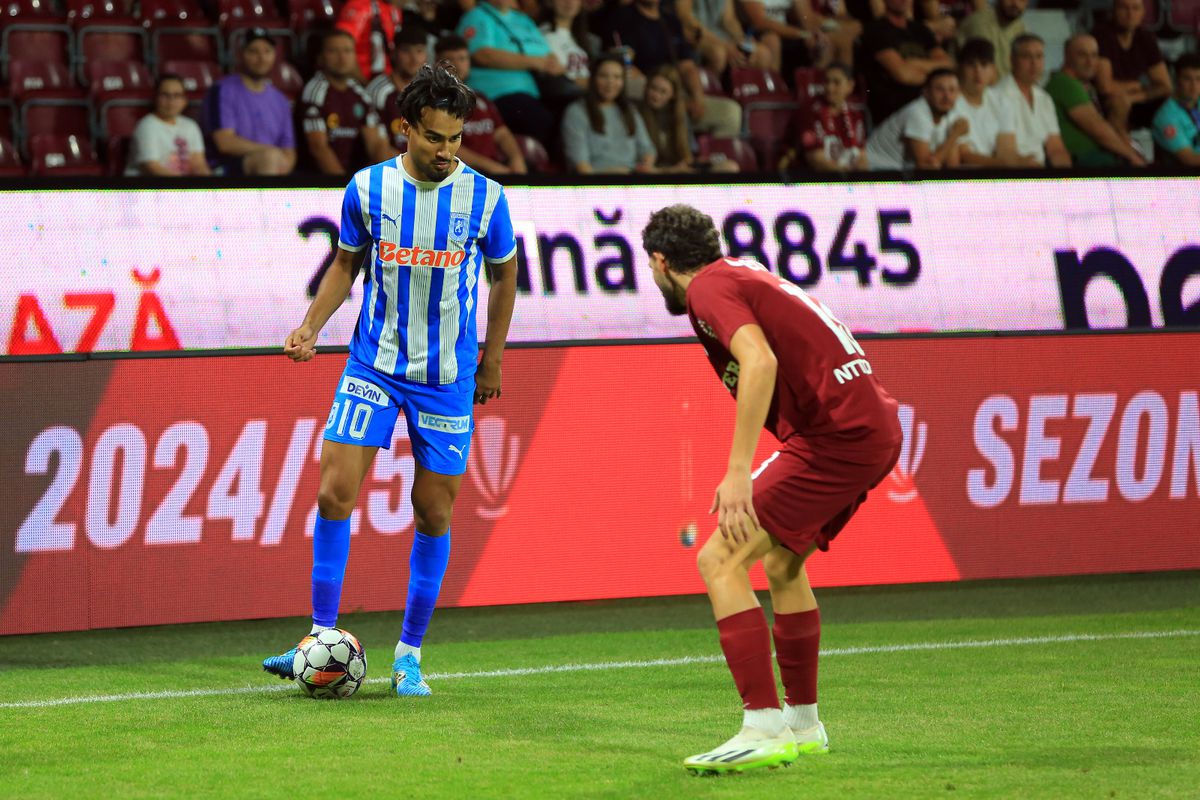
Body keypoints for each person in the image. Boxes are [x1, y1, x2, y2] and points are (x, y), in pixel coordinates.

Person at [262, 62, 519, 698]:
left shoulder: (485, 196)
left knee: (433, 511)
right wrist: (311, 326)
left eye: (456, 138)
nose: (447, 151)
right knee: (332, 495)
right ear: (405, 128)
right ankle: (320, 640)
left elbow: (505, 274)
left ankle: (409, 655)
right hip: (373, 363)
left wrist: (493, 359)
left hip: (448, 377)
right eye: (435, 137)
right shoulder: (366, 189)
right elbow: (345, 264)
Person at [640, 204, 901, 775]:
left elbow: (758, 361)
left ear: (661, 262)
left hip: (835, 435)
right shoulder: (742, 271)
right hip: (869, 427)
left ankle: (762, 726)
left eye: (652, 268)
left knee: (719, 559)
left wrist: (738, 470)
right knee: (782, 564)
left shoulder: (708, 289)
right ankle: (804, 725)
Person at [602, 0, 742, 137]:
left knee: (730, 113)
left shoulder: (671, 21)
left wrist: (697, 98)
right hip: (644, 93)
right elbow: (623, 65)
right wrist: (658, 90)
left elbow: (687, 66)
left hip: (675, 94)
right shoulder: (622, 18)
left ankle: (708, 156)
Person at [455, 0, 562, 142]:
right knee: (539, 120)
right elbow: (483, 54)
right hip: (495, 93)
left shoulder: (523, 19)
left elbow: (548, 53)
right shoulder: (476, 16)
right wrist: (535, 62)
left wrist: (552, 64)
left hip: (532, 92)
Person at [201, 28, 296, 176]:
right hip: (226, 170)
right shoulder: (222, 90)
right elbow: (224, 143)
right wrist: (269, 152)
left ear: (274, 55)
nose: (261, 58)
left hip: (273, 168)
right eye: (253, 51)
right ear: (240, 54)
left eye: (267, 51)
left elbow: (289, 151)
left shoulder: (280, 99)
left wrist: (282, 164)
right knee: (269, 158)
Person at [299, 30, 394, 175]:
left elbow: (376, 144)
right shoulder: (315, 92)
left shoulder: (360, 94)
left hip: (353, 179)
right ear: (320, 58)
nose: (342, 58)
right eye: (333, 51)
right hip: (318, 183)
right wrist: (342, 186)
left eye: (347, 51)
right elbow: (318, 148)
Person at [1045, 33, 1147, 167]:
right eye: (1082, 55)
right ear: (1067, 56)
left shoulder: (1083, 85)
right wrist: (1132, 157)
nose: (1090, 62)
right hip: (1084, 163)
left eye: (1094, 55)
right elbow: (1098, 130)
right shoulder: (1065, 83)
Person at [437, 34, 530, 173]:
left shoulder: (480, 98)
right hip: (458, 178)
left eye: (462, 58)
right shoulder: (433, 102)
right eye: (450, 60)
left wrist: (516, 158)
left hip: (495, 174)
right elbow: (445, 147)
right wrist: (493, 168)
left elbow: (502, 133)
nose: (457, 65)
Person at [860, 0, 952, 126]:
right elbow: (903, 74)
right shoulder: (876, 30)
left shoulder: (920, 29)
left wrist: (913, 63)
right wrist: (934, 74)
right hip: (895, 112)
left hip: (929, 106)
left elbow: (948, 64)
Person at [562, 54, 657, 172]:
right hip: (597, 184)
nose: (610, 82)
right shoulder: (576, 112)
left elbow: (647, 149)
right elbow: (581, 166)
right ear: (593, 79)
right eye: (604, 76)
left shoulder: (629, 110)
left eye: (617, 77)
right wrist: (615, 174)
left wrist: (646, 165)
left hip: (633, 181)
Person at [1092, 0, 1171, 135]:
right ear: (1114, 11)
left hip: (1133, 98)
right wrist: (1137, 85)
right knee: (1119, 102)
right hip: (1101, 101)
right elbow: (1105, 87)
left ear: (1142, 13)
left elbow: (1165, 86)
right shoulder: (1102, 35)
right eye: (1124, 8)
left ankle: (1172, 151)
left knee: (1171, 104)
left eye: (1135, 8)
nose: (1130, 14)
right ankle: (1121, 153)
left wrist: (1133, 97)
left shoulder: (1146, 37)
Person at [866, 67, 969, 169]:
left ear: (959, 93)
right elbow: (926, 167)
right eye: (939, 89)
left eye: (952, 90)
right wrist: (954, 135)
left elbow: (952, 166)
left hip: (900, 174)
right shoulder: (917, 112)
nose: (947, 96)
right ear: (926, 92)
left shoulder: (950, 113)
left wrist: (953, 137)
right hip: (874, 171)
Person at [995, 33, 1070, 167]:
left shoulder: (1044, 98)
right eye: (1026, 56)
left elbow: (1056, 148)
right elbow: (1006, 153)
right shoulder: (999, 95)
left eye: (1039, 56)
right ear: (1012, 60)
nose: (1034, 63)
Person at [955, 37, 1030, 167]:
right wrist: (1006, 166)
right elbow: (964, 156)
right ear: (959, 69)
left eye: (984, 65)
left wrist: (1023, 164)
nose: (978, 71)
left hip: (996, 174)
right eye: (971, 64)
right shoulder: (949, 101)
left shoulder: (1001, 101)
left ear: (993, 70)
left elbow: (1006, 150)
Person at [126, 74, 211, 176]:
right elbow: (153, 168)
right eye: (165, 95)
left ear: (184, 101)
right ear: (156, 98)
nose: (171, 101)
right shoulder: (146, 126)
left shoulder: (190, 126)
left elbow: (198, 162)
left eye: (177, 95)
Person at [791, 61, 868, 171]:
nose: (829, 88)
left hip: (847, 179)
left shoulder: (855, 115)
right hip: (815, 180)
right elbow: (815, 158)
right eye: (826, 81)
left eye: (836, 83)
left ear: (850, 86)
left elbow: (862, 157)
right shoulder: (809, 112)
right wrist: (845, 179)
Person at [366, 24, 432, 152]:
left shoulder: (431, 91)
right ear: (394, 54)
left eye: (419, 51)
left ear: (426, 56)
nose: (413, 59)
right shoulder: (378, 91)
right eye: (406, 51)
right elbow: (377, 149)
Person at [676, 0, 774, 75]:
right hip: (695, 34)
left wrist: (742, 39)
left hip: (720, 33)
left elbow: (729, 20)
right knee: (718, 54)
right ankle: (712, 92)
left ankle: (749, 94)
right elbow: (685, 17)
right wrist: (726, 46)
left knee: (763, 54)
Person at [539, 0, 600, 92]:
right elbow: (553, 71)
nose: (569, 2)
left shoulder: (589, 40)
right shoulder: (541, 34)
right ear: (550, 2)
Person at [1151, 54, 1200, 166]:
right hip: (1186, 178)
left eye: (1198, 79)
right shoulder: (1166, 117)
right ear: (1176, 80)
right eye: (1187, 79)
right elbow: (1189, 159)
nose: (1194, 86)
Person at [956, 0, 1024, 79]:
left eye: (1022, 0)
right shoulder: (979, 23)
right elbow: (983, 75)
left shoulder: (1019, 27)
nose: (1016, 4)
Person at [336, 0, 404, 79]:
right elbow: (341, 46)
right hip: (360, 80)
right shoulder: (360, 5)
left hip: (385, 81)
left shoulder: (395, 9)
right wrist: (365, 84)